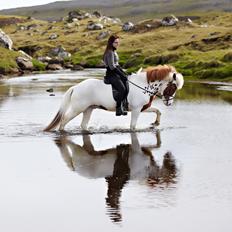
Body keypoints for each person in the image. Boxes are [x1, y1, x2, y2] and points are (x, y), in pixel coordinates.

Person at [103, 35, 129, 116]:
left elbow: (117, 65)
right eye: (116, 42)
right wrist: (121, 74)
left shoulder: (114, 51)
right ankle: (118, 108)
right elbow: (112, 67)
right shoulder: (110, 52)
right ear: (111, 43)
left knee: (126, 83)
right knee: (122, 89)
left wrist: (124, 73)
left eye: (118, 42)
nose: (117, 44)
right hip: (111, 75)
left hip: (115, 73)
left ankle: (124, 105)